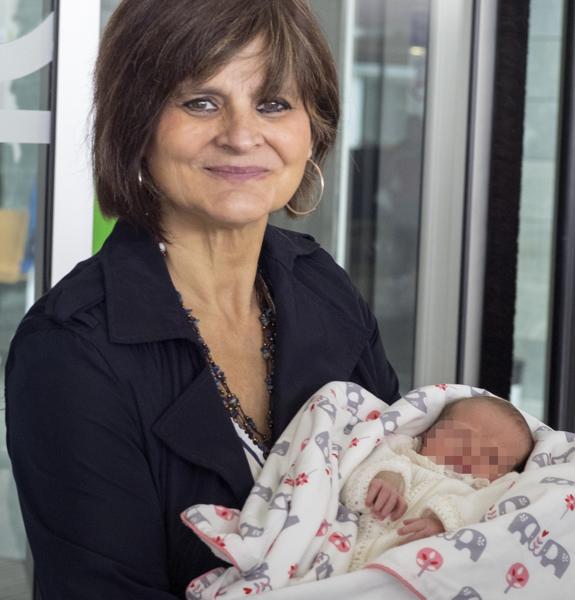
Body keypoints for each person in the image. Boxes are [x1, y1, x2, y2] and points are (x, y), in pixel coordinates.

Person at [4, 1, 399, 598]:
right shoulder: (71, 350)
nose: (242, 136)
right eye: (201, 103)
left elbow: (410, 472)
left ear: (312, 129)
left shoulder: (323, 285)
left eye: (272, 104)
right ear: (136, 125)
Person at [341, 395, 534, 570]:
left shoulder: (482, 492)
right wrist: (385, 478)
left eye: (491, 456)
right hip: (345, 544)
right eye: (461, 437)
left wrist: (445, 525)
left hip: (409, 567)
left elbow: (492, 520)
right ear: (429, 432)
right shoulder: (403, 450)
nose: (470, 453)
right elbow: (355, 465)